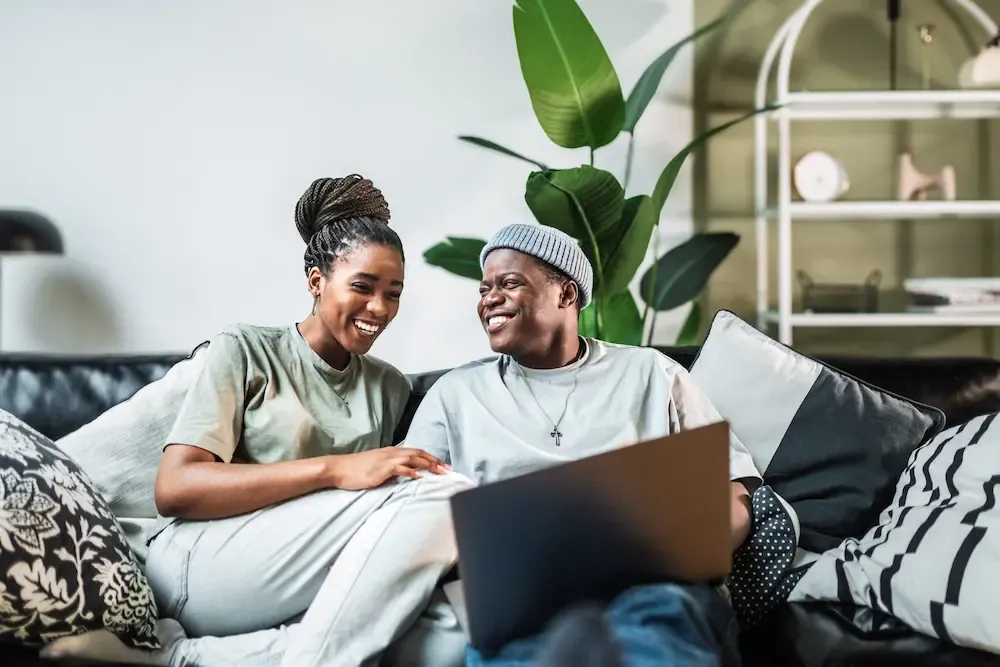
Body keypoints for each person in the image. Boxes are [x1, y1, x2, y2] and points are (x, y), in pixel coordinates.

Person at [41, 175, 474, 667]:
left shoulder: (389, 387)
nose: (379, 308)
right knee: (448, 494)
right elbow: (176, 487)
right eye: (362, 287)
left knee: (450, 638)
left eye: (393, 293)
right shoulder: (246, 350)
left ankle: (177, 657)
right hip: (199, 563)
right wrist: (333, 470)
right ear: (316, 281)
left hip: (302, 575)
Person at [400, 222, 763, 667]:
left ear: (566, 295)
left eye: (509, 283)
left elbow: (737, 488)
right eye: (484, 288)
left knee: (655, 633)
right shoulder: (455, 395)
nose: (489, 298)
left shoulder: (651, 374)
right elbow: (407, 510)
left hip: (650, 589)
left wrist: (677, 550)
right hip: (521, 604)